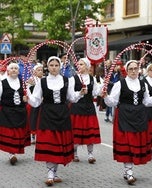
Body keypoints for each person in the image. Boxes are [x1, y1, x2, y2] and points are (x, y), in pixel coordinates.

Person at [103, 60, 152, 185]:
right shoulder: (120, 84)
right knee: (127, 144)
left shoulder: (143, 83)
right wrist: (105, 96)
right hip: (125, 116)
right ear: (126, 70)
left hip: (140, 116)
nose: (133, 71)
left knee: (135, 143)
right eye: (131, 69)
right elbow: (112, 102)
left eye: (135, 68)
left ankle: (128, 171)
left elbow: (147, 101)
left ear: (139, 70)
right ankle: (129, 172)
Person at [27, 56, 87, 186]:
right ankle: (50, 174)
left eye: (56, 65)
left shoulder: (67, 81)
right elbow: (36, 101)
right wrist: (28, 97)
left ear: (60, 67)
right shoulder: (42, 82)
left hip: (63, 113)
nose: (54, 67)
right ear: (47, 67)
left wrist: (81, 93)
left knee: (59, 143)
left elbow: (72, 97)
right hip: (47, 113)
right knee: (50, 142)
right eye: (51, 65)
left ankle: (54, 173)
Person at [69, 57, 102, 163]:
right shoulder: (73, 79)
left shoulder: (92, 79)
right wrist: (79, 93)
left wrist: (102, 87)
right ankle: (74, 153)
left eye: (82, 64)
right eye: (78, 64)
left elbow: (95, 92)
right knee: (76, 132)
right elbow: (70, 95)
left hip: (89, 108)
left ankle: (90, 154)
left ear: (87, 66)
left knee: (90, 131)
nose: (79, 66)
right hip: (77, 108)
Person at [0, 62, 29, 165]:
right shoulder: (2, 83)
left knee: (18, 133)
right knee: (10, 133)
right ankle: (11, 154)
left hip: (20, 112)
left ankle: (14, 151)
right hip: (7, 112)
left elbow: (29, 97)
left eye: (15, 68)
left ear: (18, 71)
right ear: (8, 70)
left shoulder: (23, 83)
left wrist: (27, 99)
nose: (13, 70)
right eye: (11, 68)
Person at [26, 63, 44, 144]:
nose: (40, 72)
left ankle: (39, 135)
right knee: (32, 119)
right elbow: (27, 90)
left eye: (41, 70)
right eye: (38, 70)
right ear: (34, 72)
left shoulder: (44, 79)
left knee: (39, 119)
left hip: (42, 103)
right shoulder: (31, 80)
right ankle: (32, 135)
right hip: (33, 103)